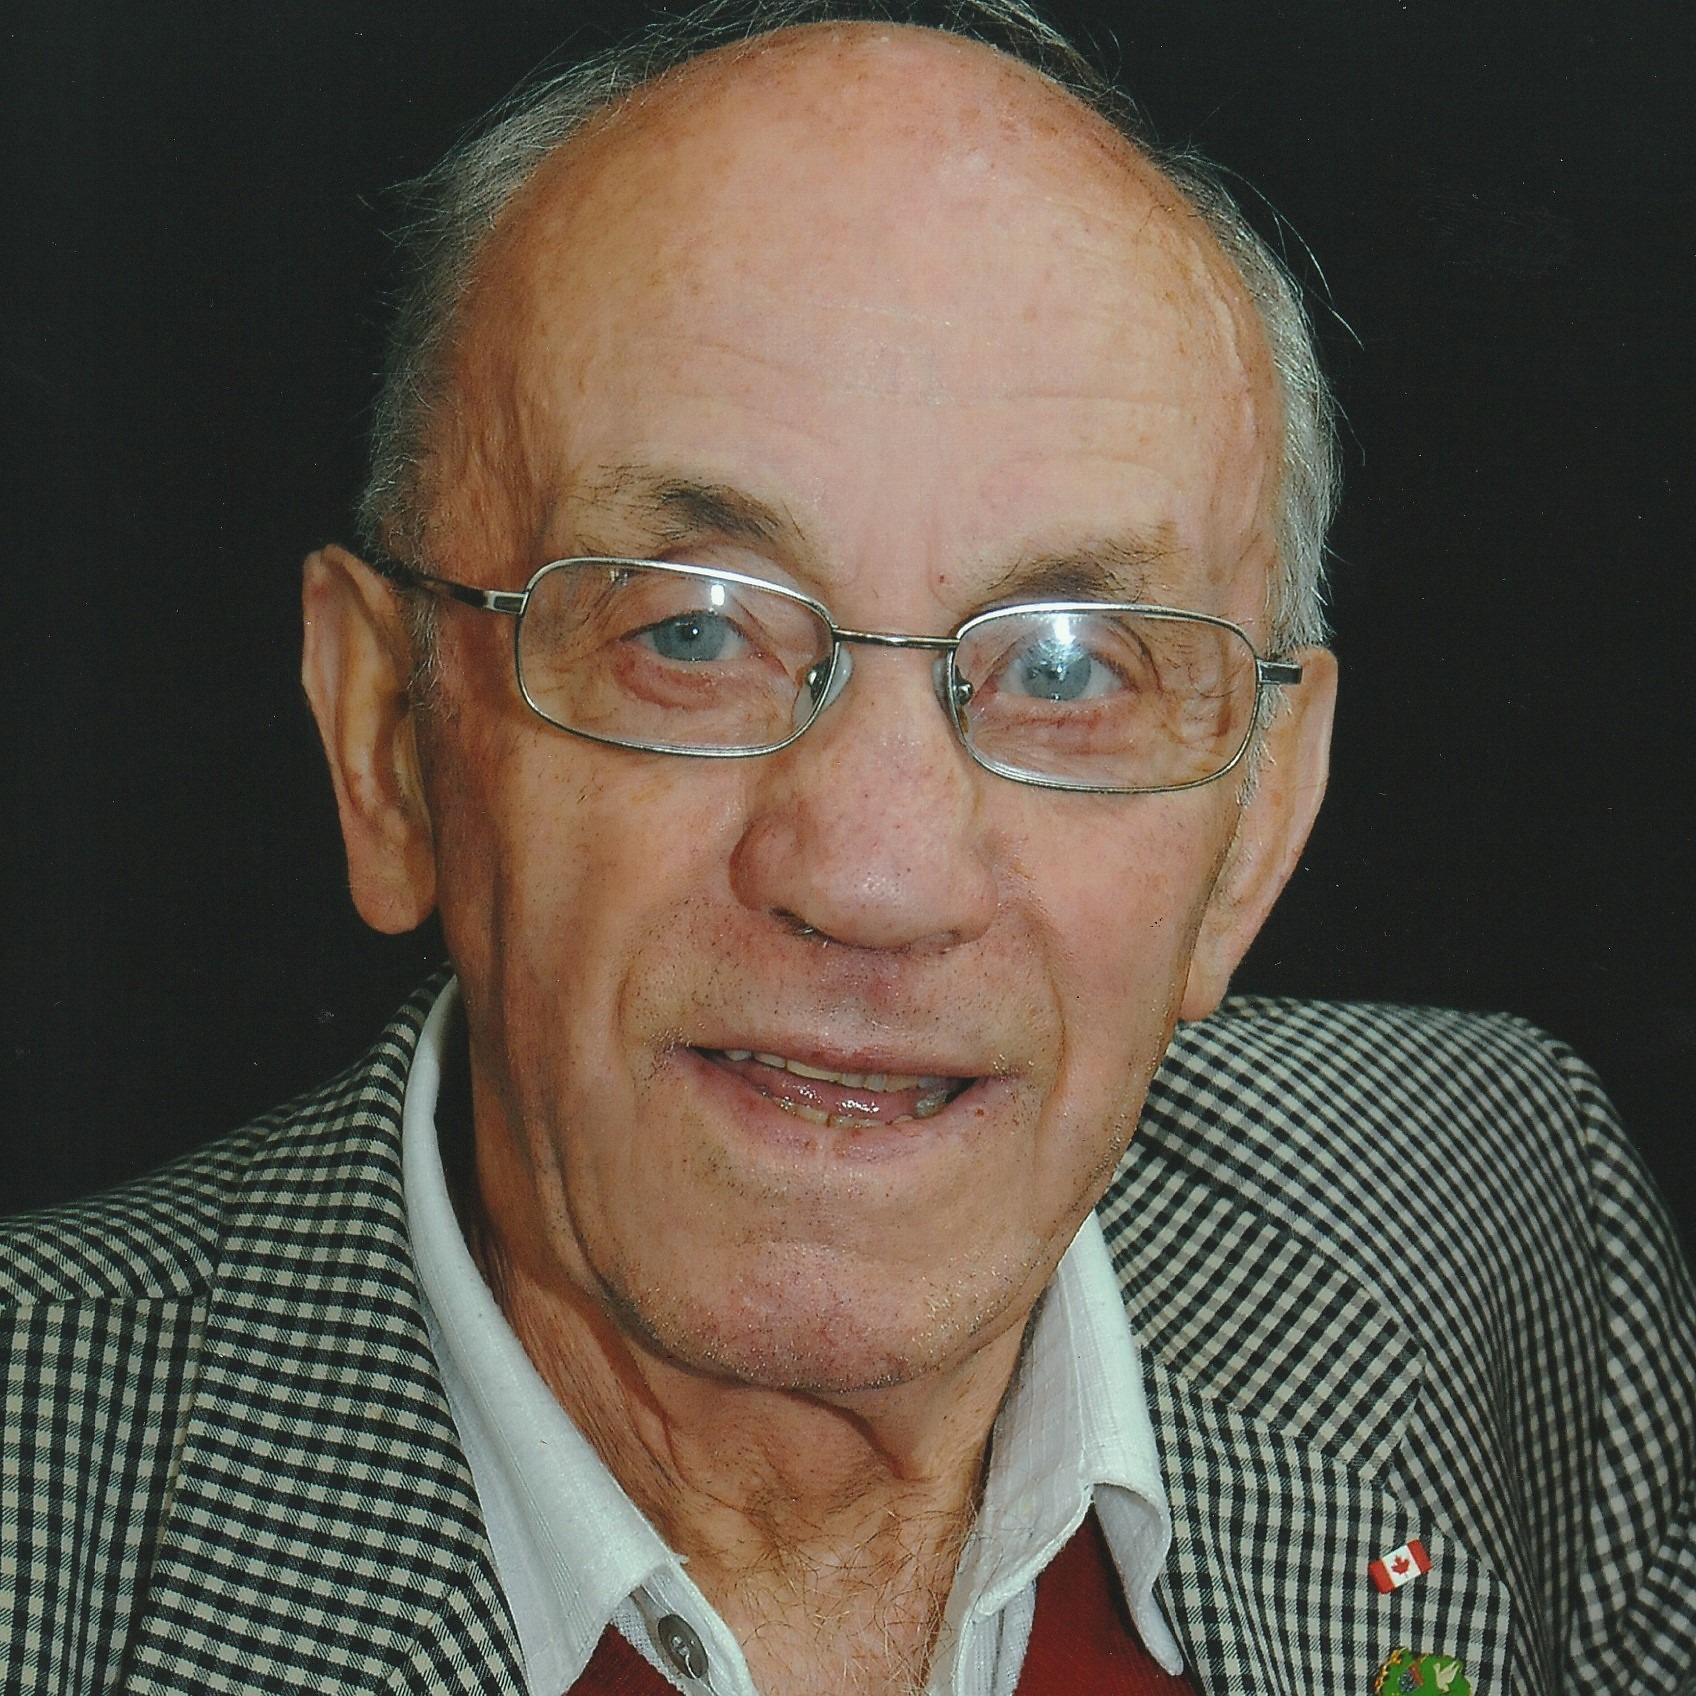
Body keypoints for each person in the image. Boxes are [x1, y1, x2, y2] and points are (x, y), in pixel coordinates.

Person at [2, 3, 1691, 1693]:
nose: (877, 878)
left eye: (1068, 669)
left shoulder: (1493, 1216)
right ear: (389, 742)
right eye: (689, 632)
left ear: (1253, 829)